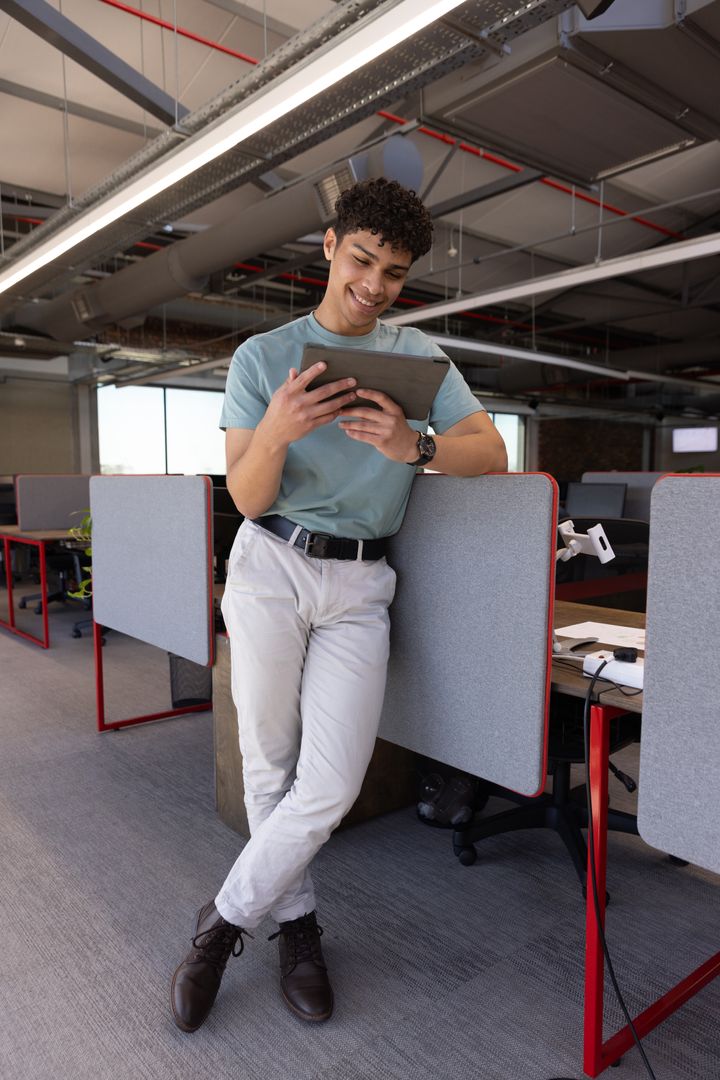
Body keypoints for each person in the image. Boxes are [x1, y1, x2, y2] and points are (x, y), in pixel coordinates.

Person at [170, 177, 507, 1033]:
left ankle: (220, 924)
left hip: (361, 582)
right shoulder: (262, 357)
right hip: (270, 565)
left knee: (331, 781)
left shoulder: (420, 359)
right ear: (329, 246)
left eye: (393, 272)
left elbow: (491, 454)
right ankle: (299, 930)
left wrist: (417, 444)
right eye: (362, 259)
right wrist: (278, 432)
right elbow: (246, 498)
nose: (374, 284)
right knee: (269, 769)